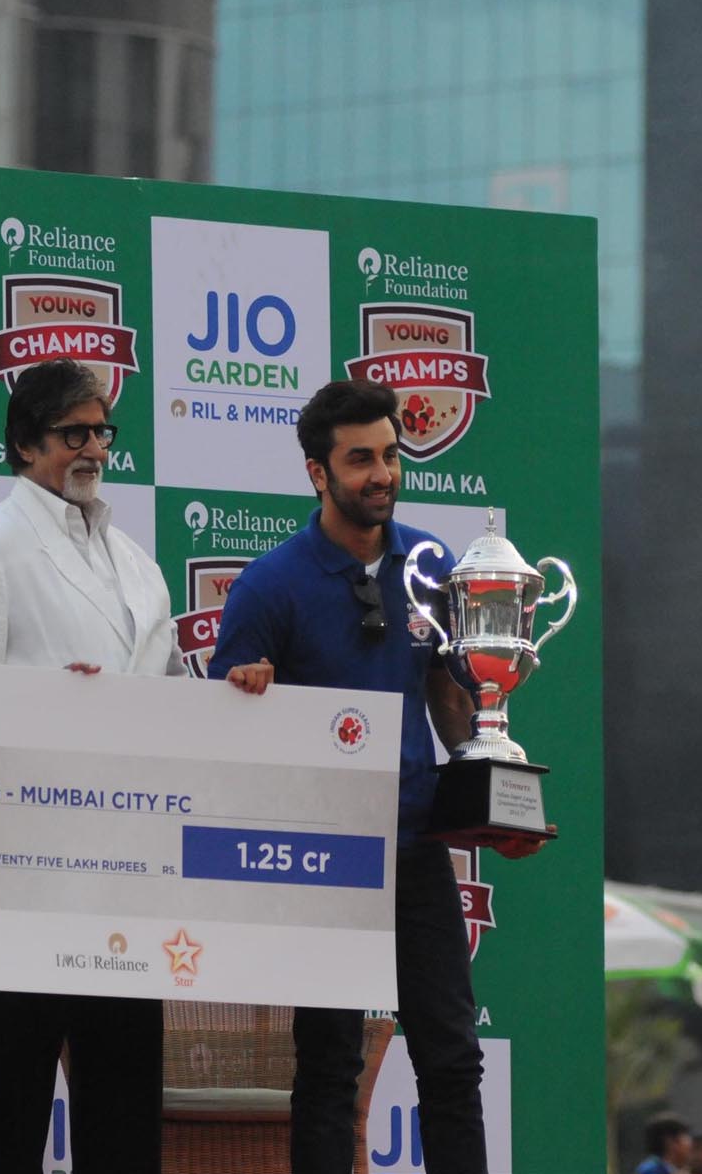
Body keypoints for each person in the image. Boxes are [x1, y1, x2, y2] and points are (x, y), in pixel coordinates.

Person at [209, 379, 542, 1174]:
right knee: (328, 1068)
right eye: (361, 460)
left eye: (391, 455)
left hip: (418, 845)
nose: (382, 474)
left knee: (454, 1059)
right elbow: (223, 729)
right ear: (318, 474)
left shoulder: (432, 566)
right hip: (323, 858)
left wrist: (497, 796)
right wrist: (248, 692)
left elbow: (453, 695)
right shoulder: (268, 584)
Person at [0, 357, 183, 1173]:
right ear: (23, 445)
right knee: (22, 1117)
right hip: (25, 878)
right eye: (74, 432)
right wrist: (49, 702)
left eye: (101, 431)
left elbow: (170, 691)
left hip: (131, 877)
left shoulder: (135, 560)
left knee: (125, 1111)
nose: (93, 448)